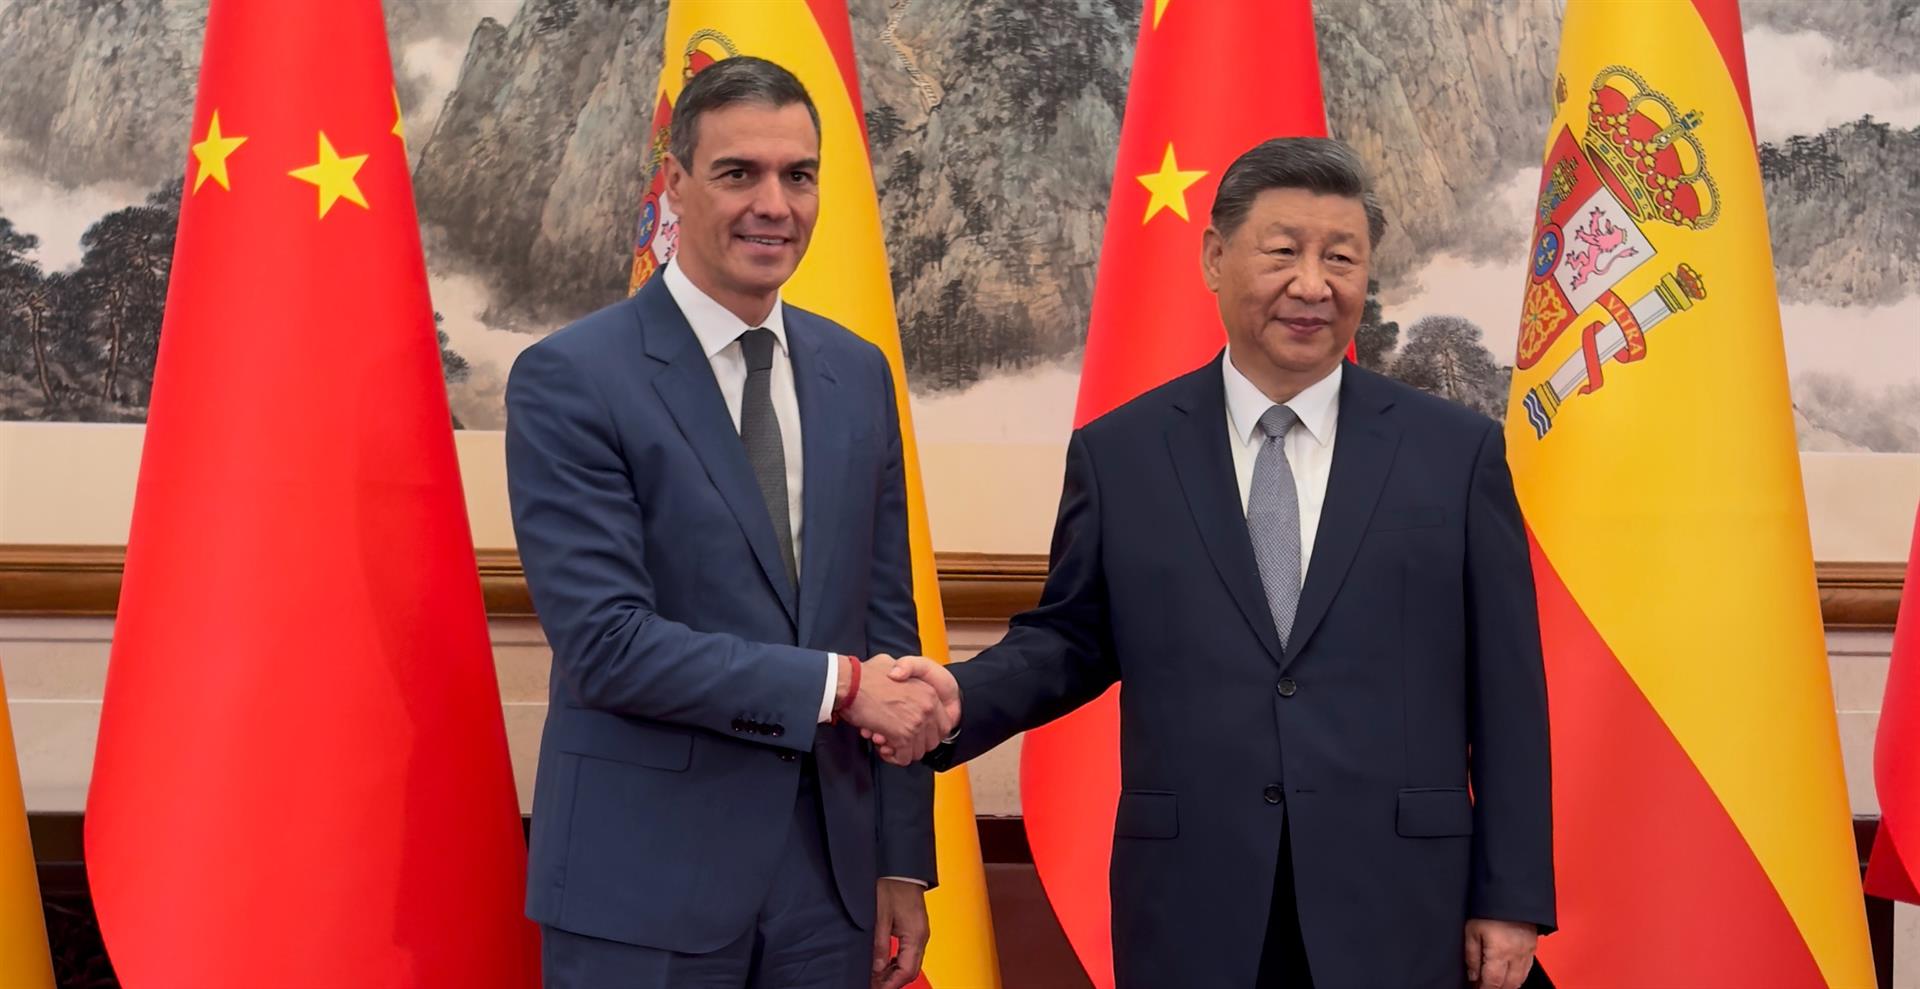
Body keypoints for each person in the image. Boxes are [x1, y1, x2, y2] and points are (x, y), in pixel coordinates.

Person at [888, 137, 1555, 989]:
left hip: (1401, 904)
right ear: (1214, 257)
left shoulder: (1454, 454)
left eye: (1341, 258)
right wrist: (959, 697)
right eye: (1283, 252)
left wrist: (1511, 896)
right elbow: (1071, 638)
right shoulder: (1124, 453)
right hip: (1195, 902)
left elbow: (1508, 691)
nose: (1312, 284)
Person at [506, 55, 953, 989]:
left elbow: (888, 625)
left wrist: (900, 859)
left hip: (829, 888)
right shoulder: (574, 377)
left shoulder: (857, 372)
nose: (774, 205)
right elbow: (607, 644)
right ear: (675, 183)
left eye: (799, 175)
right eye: (738, 172)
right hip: (641, 887)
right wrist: (840, 687)